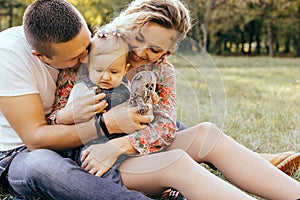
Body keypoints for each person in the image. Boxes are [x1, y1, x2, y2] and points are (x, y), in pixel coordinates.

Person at [73, 0, 300, 199]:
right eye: (139, 37)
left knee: (206, 134)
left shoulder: (161, 70)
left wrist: (121, 144)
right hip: (99, 161)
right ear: (129, 24)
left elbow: (165, 126)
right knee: (177, 161)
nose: (141, 51)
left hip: (130, 150)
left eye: (154, 49)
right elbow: (63, 108)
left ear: (166, 52)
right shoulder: (100, 49)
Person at [0, 0, 152, 199]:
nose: (87, 59)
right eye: (75, 57)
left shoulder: (76, 42)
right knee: (41, 165)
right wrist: (106, 125)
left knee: (154, 120)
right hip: (21, 153)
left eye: (87, 47)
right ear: (40, 57)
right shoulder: (8, 55)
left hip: (76, 137)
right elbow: (35, 140)